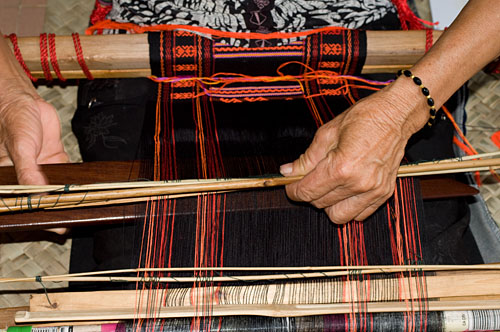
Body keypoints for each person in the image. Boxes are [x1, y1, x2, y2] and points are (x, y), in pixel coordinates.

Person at [0, 0, 499, 226]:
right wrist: (11, 98)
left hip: (362, 56)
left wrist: (405, 106)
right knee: (132, 245)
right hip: (154, 64)